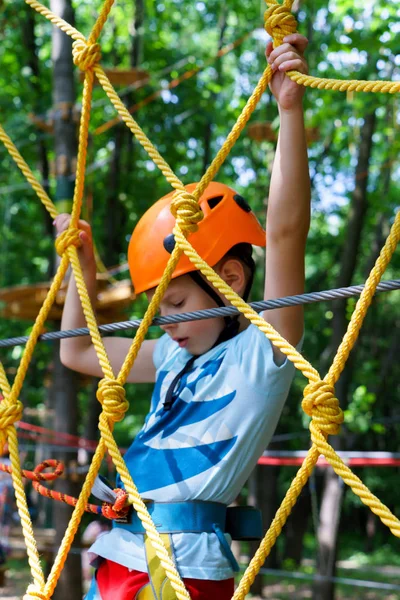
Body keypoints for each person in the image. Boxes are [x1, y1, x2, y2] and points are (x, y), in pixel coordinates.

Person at [55, 34, 310, 600]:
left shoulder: (260, 354)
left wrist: (288, 112)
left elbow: (287, 235)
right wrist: (85, 270)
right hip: (120, 553)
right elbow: (77, 351)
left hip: (183, 567)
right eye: (158, 309)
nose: (166, 322)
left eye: (178, 304)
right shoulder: (173, 354)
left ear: (231, 283)